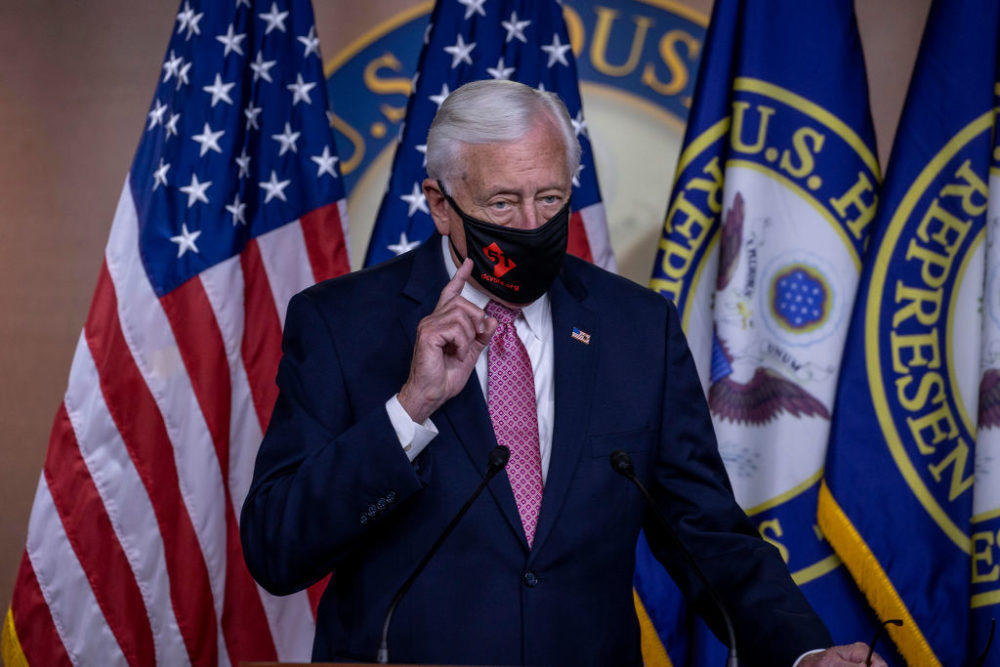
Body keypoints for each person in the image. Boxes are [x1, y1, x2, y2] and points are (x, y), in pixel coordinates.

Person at [240, 79, 886, 667]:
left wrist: (805, 653)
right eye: (503, 202)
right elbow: (276, 548)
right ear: (440, 204)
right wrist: (409, 408)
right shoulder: (342, 324)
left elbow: (706, 530)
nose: (532, 225)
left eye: (549, 198)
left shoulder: (638, 328)